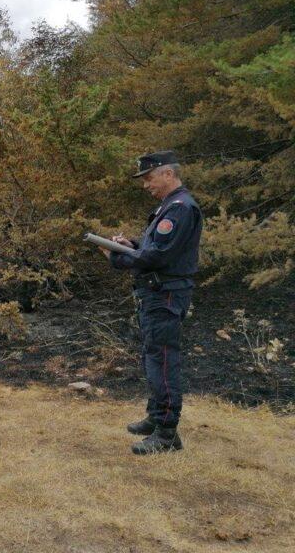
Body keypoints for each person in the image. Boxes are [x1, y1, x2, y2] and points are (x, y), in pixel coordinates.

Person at [98, 151, 202, 455]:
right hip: (158, 294)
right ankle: (157, 419)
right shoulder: (169, 207)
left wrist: (118, 257)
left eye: (149, 178)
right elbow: (152, 246)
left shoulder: (180, 208)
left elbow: (158, 256)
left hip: (165, 294)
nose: (146, 185)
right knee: (153, 355)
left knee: (163, 360)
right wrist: (131, 244)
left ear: (168, 174)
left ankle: (167, 433)